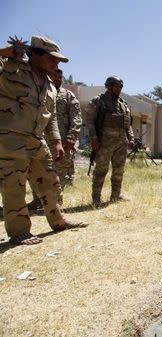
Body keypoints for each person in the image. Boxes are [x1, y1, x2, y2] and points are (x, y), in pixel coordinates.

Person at [0, 35, 84, 245]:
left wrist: (56, 141)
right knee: (14, 185)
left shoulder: (50, 86)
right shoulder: (11, 69)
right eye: (53, 58)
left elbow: (51, 116)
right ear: (35, 54)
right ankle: (19, 232)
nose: (56, 63)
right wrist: (3, 53)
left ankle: (58, 221)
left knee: (51, 180)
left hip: (36, 140)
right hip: (10, 139)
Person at [28, 68, 82, 209]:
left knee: (59, 174)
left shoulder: (68, 96)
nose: (58, 78)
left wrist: (72, 136)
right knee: (35, 170)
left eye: (60, 76)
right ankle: (38, 199)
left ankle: (57, 203)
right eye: (54, 76)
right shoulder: (40, 91)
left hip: (62, 142)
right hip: (39, 139)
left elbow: (77, 118)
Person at [84, 76, 134, 207]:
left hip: (121, 144)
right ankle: (96, 199)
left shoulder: (123, 104)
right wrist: (94, 139)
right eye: (116, 86)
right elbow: (89, 122)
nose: (118, 89)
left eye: (120, 87)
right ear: (109, 86)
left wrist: (131, 138)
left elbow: (127, 125)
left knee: (119, 171)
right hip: (104, 143)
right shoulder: (98, 101)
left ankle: (115, 196)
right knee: (101, 171)